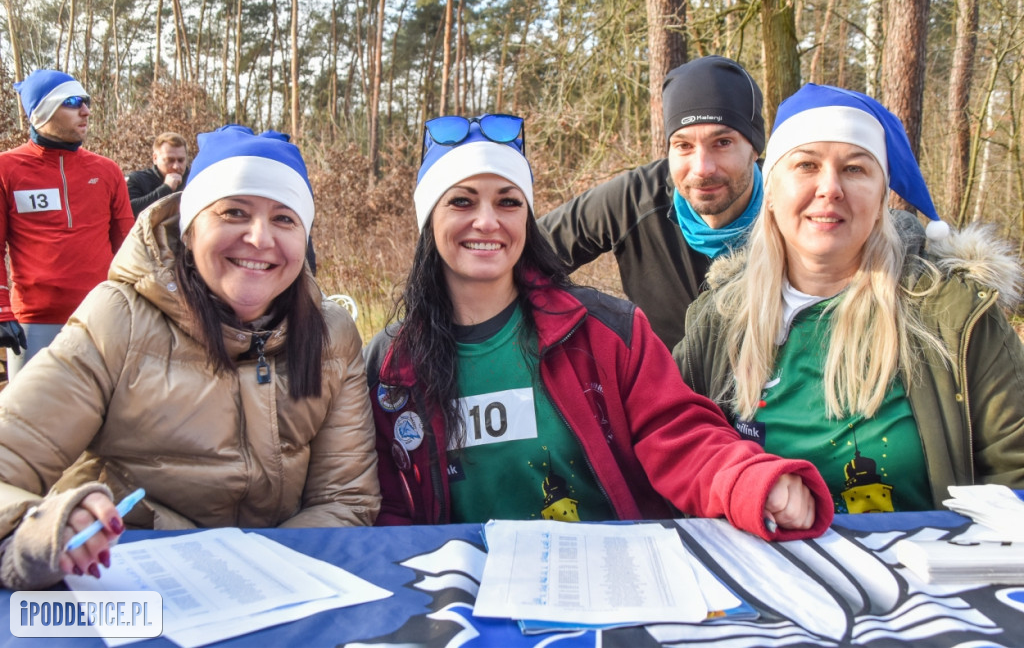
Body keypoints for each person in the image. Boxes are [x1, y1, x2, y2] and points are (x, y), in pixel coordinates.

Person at [366, 113, 833, 539]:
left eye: (508, 202)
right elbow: (389, 506)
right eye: (462, 202)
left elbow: (680, 436)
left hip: (608, 581)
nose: (487, 221)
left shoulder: (606, 332)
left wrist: (750, 482)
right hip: (467, 594)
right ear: (430, 220)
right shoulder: (389, 365)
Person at [0, 125, 380, 590]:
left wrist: (259, 577)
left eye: (285, 219)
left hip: (280, 593)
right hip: (132, 591)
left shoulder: (331, 334)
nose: (260, 238)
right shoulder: (118, 320)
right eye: (234, 212)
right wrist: (48, 526)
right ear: (190, 226)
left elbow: (346, 500)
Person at [675, 83, 1024, 515]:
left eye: (855, 169)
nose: (830, 188)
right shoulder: (719, 318)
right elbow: (677, 449)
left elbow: (1015, 475)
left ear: (880, 199)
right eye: (806, 165)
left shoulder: (953, 315)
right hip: (763, 572)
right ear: (770, 194)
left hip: (920, 574)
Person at [538, 56, 766, 349]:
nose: (703, 168)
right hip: (668, 393)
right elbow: (520, 258)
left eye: (722, 143)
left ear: (755, 147)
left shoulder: (793, 206)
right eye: (684, 146)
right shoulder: (636, 199)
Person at [0, 69, 134, 378]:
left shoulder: (107, 170)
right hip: (33, 320)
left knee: (102, 421)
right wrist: (2, 308)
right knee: (30, 420)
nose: (86, 111)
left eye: (86, 101)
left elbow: (129, 248)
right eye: (73, 102)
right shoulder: (7, 169)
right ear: (42, 111)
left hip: (100, 317)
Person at [126, 131, 190, 218]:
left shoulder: (194, 180)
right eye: (170, 160)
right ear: (155, 158)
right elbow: (129, 210)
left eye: (181, 160)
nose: (176, 166)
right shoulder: (137, 180)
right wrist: (166, 189)